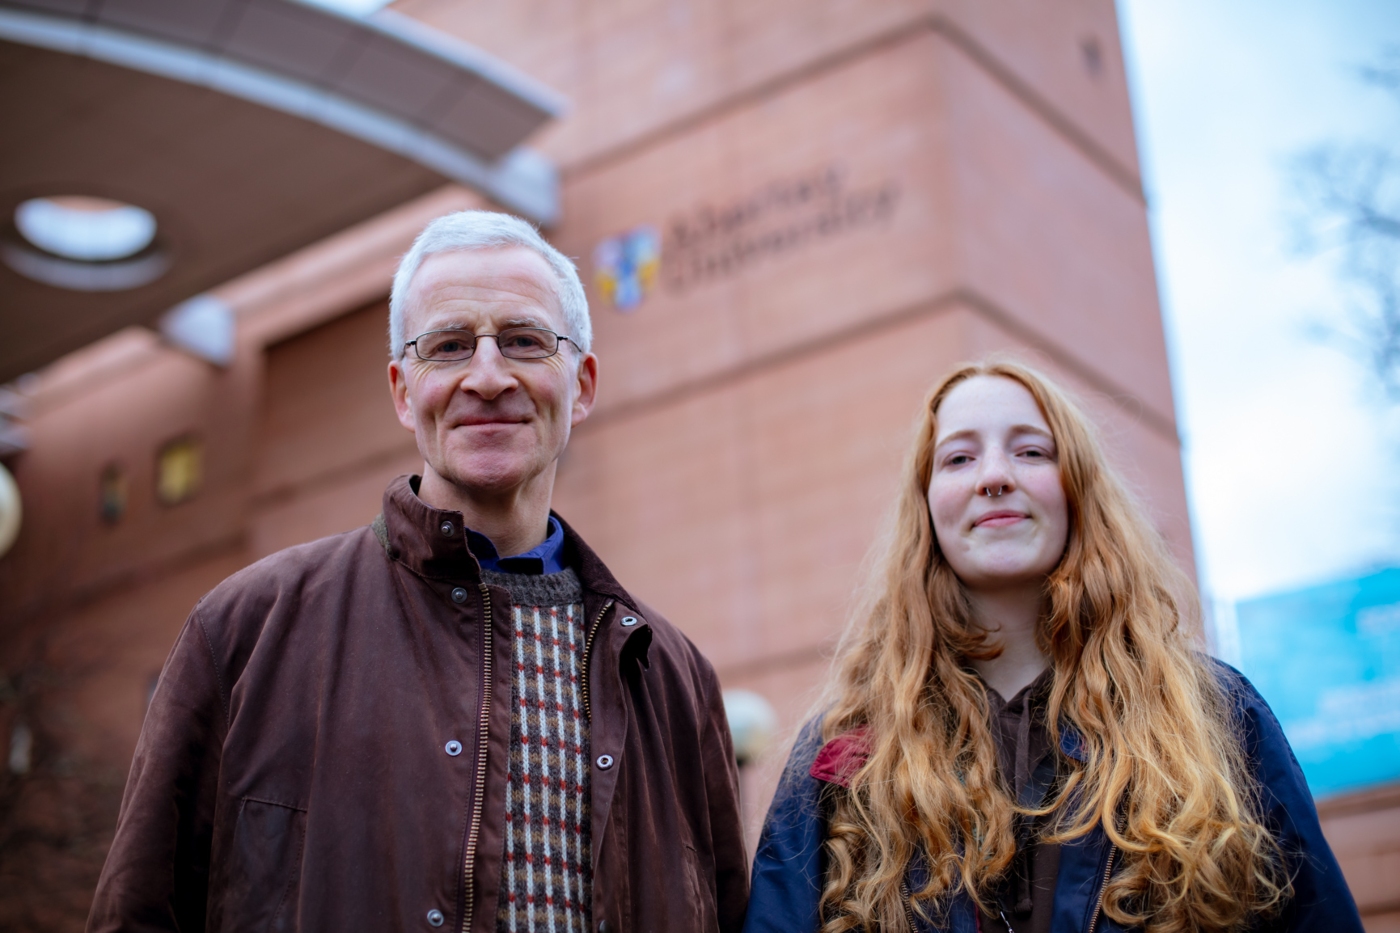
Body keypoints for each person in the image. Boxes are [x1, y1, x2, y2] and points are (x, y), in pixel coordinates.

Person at [88, 210, 749, 933]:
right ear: (404, 390)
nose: (488, 376)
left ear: (582, 384)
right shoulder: (246, 630)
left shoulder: (675, 678)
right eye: (450, 345)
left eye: (525, 341)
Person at [743, 360, 1362, 933]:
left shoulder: (1216, 714)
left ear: (1076, 489)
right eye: (958, 459)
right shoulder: (846, 752)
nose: (994, 477)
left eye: (1031, 451)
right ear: (926, 509)